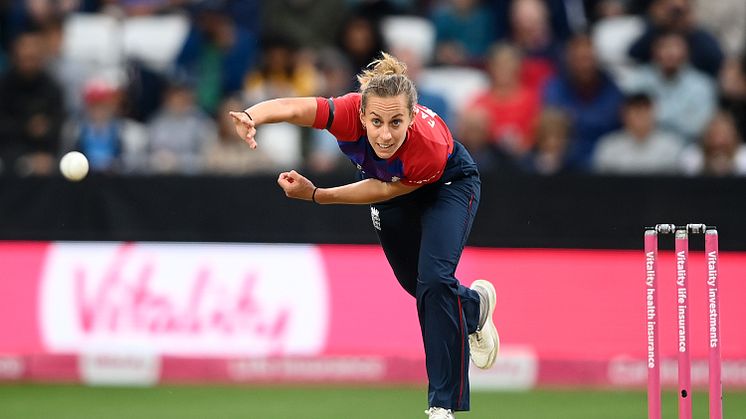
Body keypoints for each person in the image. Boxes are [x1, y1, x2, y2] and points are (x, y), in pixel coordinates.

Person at [229, 53, 499, 419]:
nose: (385, 134)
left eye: (396, 122)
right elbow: (294, 108)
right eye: (376, 121)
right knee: (419, 287)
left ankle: (441, 405)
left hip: (447, 184)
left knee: (435, 281)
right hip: (392, 184)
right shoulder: (345, 113)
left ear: (410, 117)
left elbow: (385, 190)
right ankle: (474, 307)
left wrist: (317, 195)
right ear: (360, 116)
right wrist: (253, 116)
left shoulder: (428, 147)